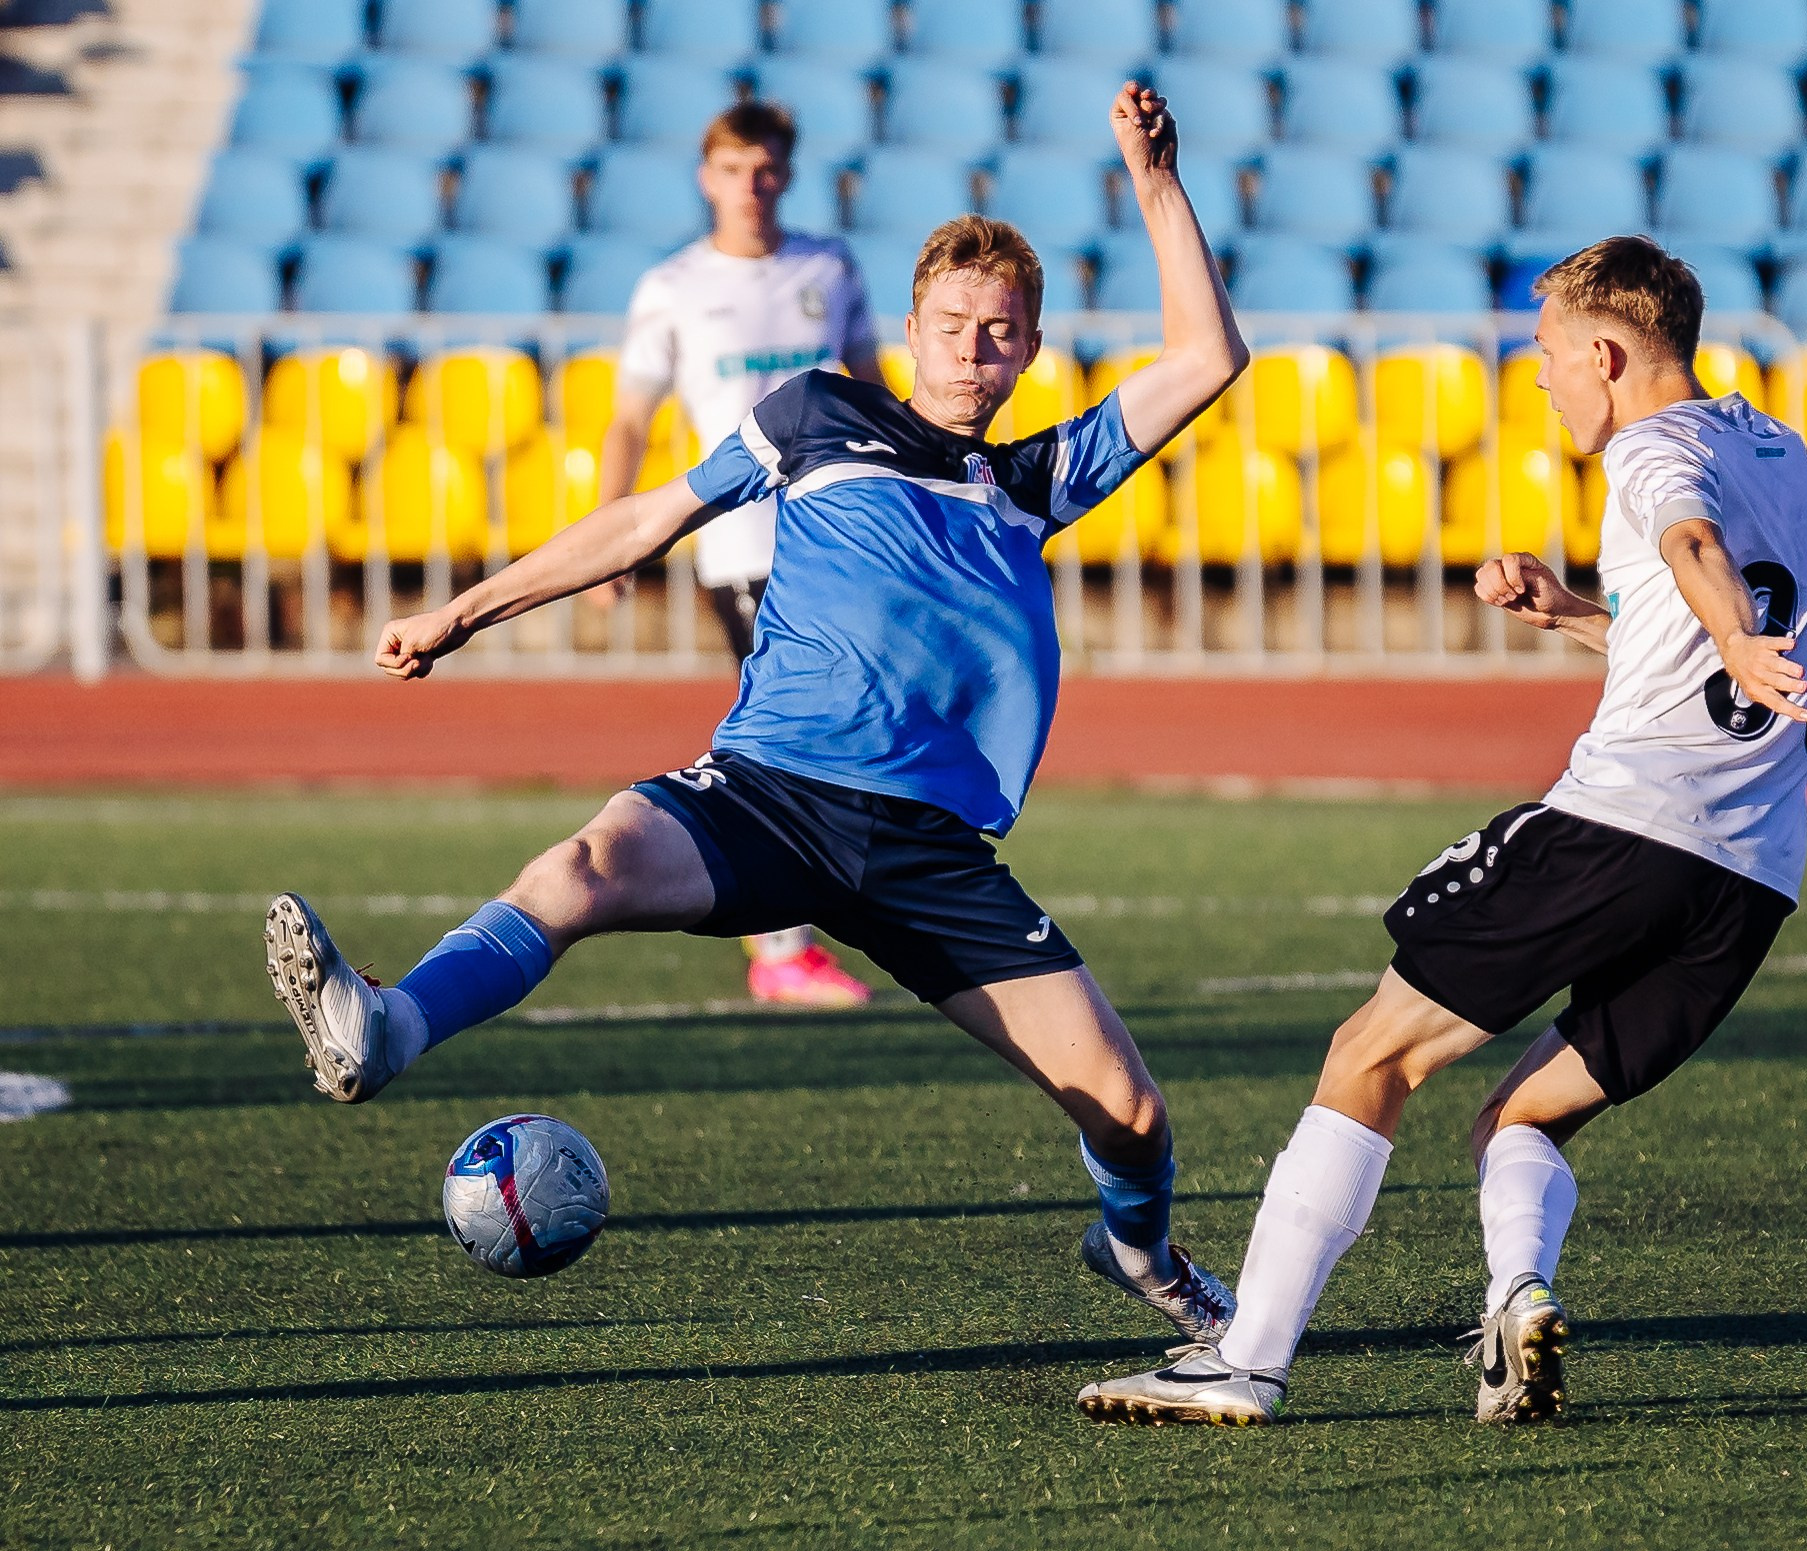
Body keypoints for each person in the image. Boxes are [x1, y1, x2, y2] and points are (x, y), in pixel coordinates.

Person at [264, 86, 1252, 1343]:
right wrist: (466, 610)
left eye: (999, 334)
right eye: (952, 327)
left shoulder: (1035, 477)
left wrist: (1155, 184)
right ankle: (387, 1027)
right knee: (582, 867)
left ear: (1029, 350)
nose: (971, 351)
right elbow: (647, 517)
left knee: (1130, 1114)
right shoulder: (815, 415)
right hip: (767, 796)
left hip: (929, 853)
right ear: (907, 330)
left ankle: (1138, 1254)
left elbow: (1207, 360)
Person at [1076, 235, 1807, 1426]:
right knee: (1522, 1116)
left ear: (1605, 354)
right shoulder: (1777, 448)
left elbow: (1689, 545)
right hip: (1748, 876)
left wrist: (1733, 633)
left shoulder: (1648, 450)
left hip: (1618, 830)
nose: (1540, 378)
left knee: (1371, 1055)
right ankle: (1517, 1300)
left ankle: (1244, 1360)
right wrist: (1575, 613)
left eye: (1546, 353)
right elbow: (1695, 634)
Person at [603, 99, 883, 1008]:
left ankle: (796, 922)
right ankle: (780, 944)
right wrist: (614, 537)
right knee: (795, 725)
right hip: (743, 540)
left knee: (842, 718)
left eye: (764, 170)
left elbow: (873, 389)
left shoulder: (828, 267)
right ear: (705, 176)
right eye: (732, 169)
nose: (750, 187)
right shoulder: (673, 286)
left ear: (786, 174)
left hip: (841, 532)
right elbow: (630, 419)